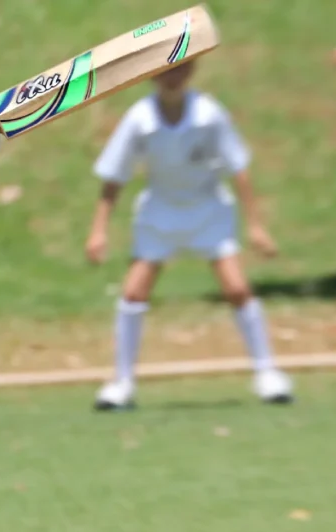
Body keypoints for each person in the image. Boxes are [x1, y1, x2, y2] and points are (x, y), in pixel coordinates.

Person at [84, 59, 293, 410]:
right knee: (133, 293)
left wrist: (256, 226)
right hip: (160, 213)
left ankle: (267, 373)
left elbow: (238, 168)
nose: (172, 77)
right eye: (164, 71)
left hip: (208, 209)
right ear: (151, 75)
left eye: (180, 69)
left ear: (192, 72)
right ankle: (121, 383)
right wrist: (98, 229)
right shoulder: (139, 120)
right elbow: (114, 174)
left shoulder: (209, 115)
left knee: (238, 289)